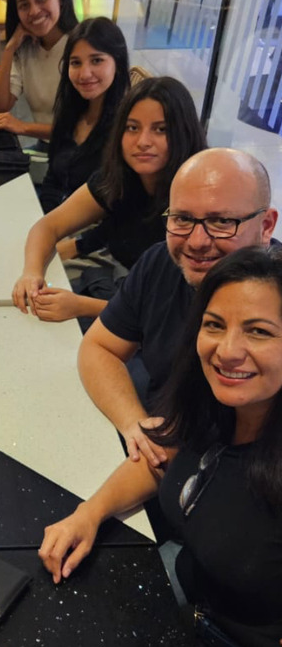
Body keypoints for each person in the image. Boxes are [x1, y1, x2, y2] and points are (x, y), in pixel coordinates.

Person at [40, 245, 282, 647]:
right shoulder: (217, 404)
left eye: (259, 331)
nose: (228, 350)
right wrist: (89, 513)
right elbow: (161, 458)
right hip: (190, 610)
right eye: (214, 325)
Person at [78, 148, 278, 465]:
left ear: (266, 226)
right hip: (159, 451)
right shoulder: (160, 263)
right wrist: (134, 424)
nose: (197, 241)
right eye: (183, 218)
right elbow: (99, 347)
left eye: (221, 221)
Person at [12, 77, 207, 323]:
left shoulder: (196, 203)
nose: (143, 142)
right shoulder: (121, 177)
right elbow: (48, 226)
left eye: (160, 130)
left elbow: (175, 311)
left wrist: (80, 306)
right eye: (132, 128)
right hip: (126, 297)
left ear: (183, 133)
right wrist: (31, 273)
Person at [36, 17, 130, 213]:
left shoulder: (126, 129)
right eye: (76, 63)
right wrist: (44, 219)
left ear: (118, 63)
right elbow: (53, 178)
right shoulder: (72, 111)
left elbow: (115, 209)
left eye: (96, 60)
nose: (84, 74)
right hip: (55, 219)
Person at [0, 0, 79, 141]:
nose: (34, 11)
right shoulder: (26, 49)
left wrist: (24, 127)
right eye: (24, 5)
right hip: (47, 149)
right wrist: (9, 49)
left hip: (79, 152)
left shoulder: (81, 46)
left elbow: (83, 131)